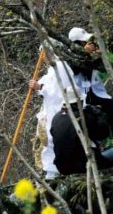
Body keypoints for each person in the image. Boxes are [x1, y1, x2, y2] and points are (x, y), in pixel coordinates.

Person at [29, 44, 79, 179]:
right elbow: (45, 86)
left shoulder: (61, 67)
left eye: (43, 53)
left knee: (54, 141)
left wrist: (40, 86)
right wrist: (38, 86)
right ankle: (50, 173)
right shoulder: (53, 69)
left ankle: (55, 173)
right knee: (47, 142)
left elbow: (59, 91)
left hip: (59, 111)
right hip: (50, 110)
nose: (43, 57)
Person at [50, 85, 113, 175]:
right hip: (84, 166)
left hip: (63, 168)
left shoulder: (56, 117)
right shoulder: (84, 117)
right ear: (80, 100)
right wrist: (99, 115)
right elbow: (104, 134)